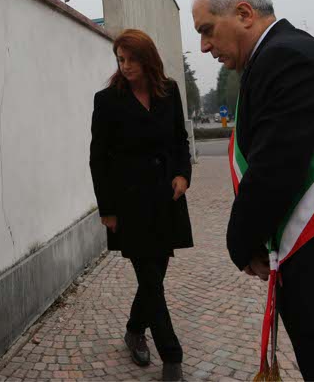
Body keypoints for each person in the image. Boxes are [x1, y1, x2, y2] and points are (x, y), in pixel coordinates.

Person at [192, 0, 314, 381]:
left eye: (207, 30)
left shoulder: (286, 59)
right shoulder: (287, 54)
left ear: (245, 13)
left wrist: (243, 243)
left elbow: (274, 170)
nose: (203, 46)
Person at [89, 29, 194, 382]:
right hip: (129, 205)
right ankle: (172, 357)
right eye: (121, 59)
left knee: (154, 278)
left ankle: (134, 329)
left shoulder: (170, 91)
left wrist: (183, 174)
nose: (126, 66)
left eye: (132, 59)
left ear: (148, 59)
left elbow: (180, 138)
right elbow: (98, 159)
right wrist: (107, 209)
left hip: (167, 199)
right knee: (150, 278)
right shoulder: (107, 100)